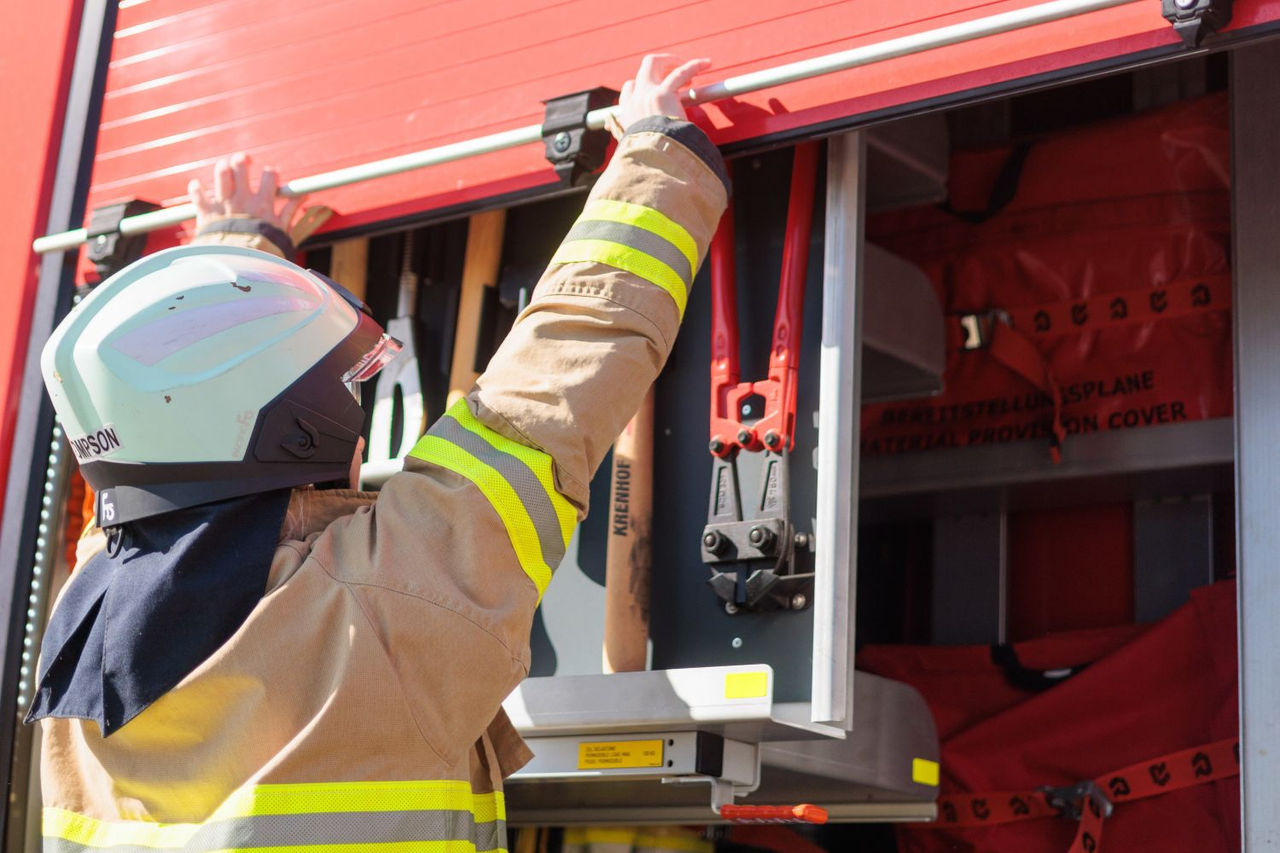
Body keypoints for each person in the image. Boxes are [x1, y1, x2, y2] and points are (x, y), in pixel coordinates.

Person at [28, 53, 728, 851]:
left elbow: (164, 430)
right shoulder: (387, 603)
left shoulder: (79, 632)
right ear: (297, 432)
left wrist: (233, 252)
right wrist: (659, 159)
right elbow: (547, 391)